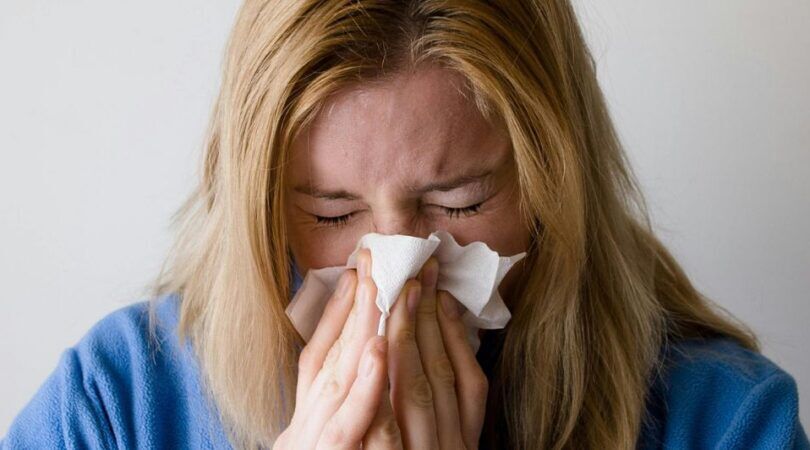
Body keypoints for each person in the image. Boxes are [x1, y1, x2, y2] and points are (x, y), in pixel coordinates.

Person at [2, 1, 808, 449]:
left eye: (459, 204)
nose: (397, 270)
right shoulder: (114, 406)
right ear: (257, 201)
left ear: (553, 186)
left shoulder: (723, 423)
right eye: (330, 212)